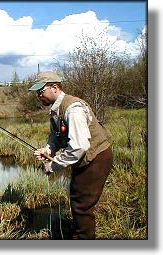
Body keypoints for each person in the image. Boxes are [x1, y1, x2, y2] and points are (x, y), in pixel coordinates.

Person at [29, 74, 113, 240]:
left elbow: (79, 147)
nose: (38, 95)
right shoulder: (57, 108)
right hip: (89, 157)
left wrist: (52, 166)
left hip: (96, 158)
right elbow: (57, 135)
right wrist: (48, 149)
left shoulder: (73, 109)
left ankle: (82, 239)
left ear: (55, 88)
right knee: (77, 195)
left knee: (82, 204)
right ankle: (80, 230)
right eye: (37, 92)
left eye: (41, 90)